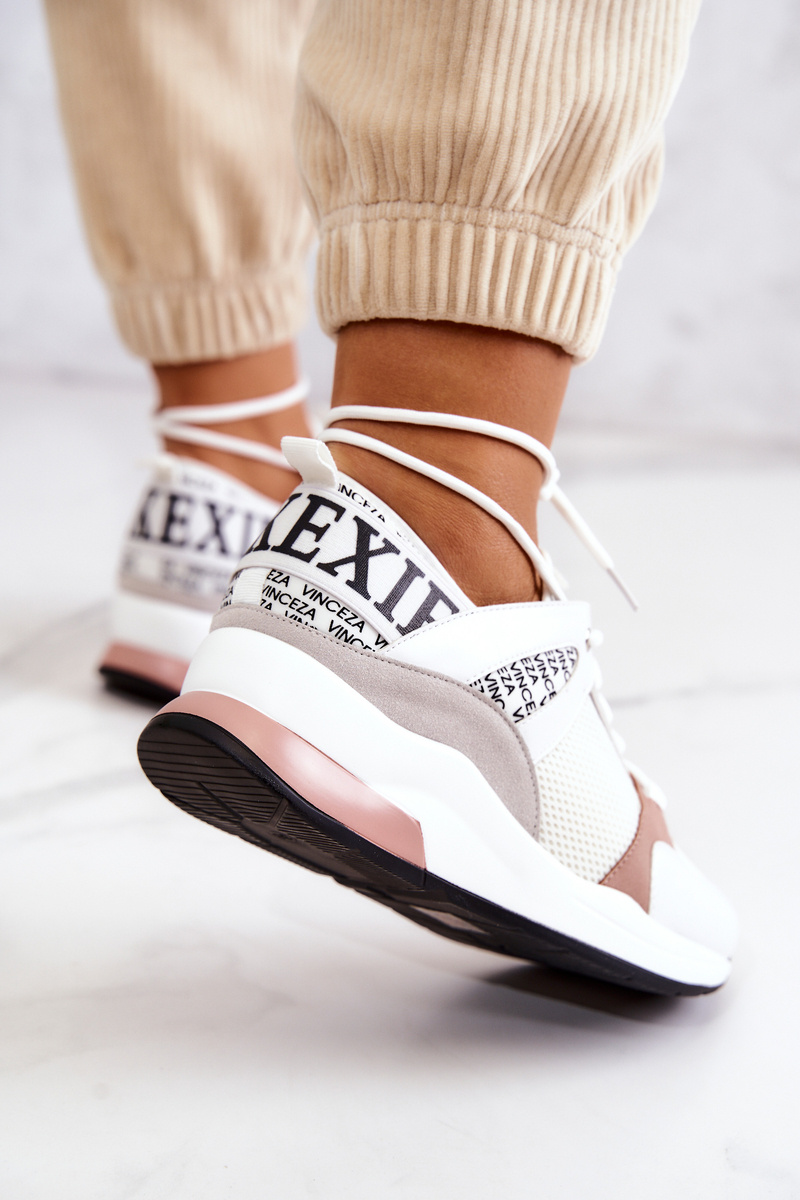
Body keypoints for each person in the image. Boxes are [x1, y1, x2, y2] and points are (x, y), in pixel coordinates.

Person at [45, 0, 736, 995]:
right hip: (418, 598)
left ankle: (234, 456)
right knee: (432, 482)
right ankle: (434, 515)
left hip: (311, 557)